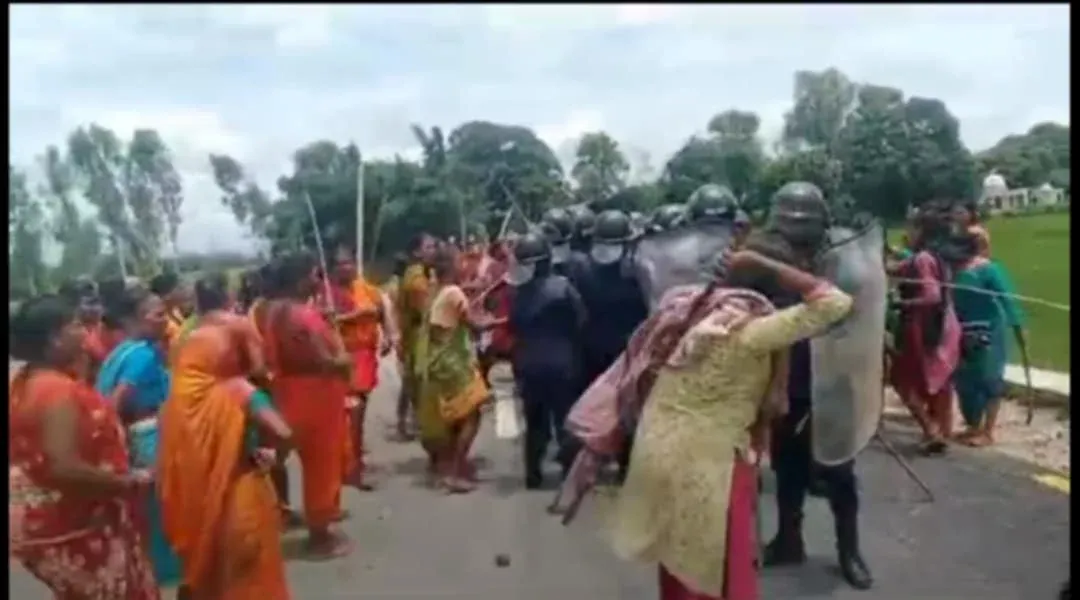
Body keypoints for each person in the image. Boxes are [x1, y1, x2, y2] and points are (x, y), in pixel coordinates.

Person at [610, 243, 854, 600]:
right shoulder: (752, 333)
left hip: (659, 450)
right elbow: (835, 302)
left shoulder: (687, 313)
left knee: (679, 556)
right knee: (721, 560)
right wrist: (764, 262)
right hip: (713, 461)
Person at [760, 182, 874, 590]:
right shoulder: (769, 260)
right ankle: (788, 539)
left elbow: (862, 310)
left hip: (835, 380)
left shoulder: (844, 260)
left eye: (803, 224)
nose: (796, 233)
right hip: (787, 379)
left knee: (839, 471)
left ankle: (849, 550)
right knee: (787, 468)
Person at [10, 294, 160, 599]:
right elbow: (62, 467)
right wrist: (127, 482)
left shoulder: (26, 381)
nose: (84, 331)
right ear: (54, 339)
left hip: (54, 521)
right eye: (76, 325)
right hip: (76, 522)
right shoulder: (55, 391)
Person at [159, 272, 294, 599]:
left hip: (194, 506)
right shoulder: (237, 388)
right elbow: (283, 432)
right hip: (240, 499)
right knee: (248, 579)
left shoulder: (176, 403)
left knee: (211, 574)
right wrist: (273, 454)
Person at [263, 252, 354, 558]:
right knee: (321, 466)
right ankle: (319, 537)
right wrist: (343, 356)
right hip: (316, 395)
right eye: (315, 274)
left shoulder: (273, 311)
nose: (319, 280)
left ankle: (306, 519)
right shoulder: (304, 316)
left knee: (302, 459)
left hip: (287, 392)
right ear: (301, 280)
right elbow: (326, 361)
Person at [95, 284, 184, 590]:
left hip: (138, 436)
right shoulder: (142, 355)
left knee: (151, 507)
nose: (165, 320)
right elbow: (115, 403)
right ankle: (169, 573)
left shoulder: (119, 353)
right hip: (149, 436)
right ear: (132, 320)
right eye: (157, 315)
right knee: (163, 507)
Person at [414, 249, 500, 492]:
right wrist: (503, 321)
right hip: (454, 363)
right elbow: (476, 325)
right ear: (452, 267)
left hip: (439, 362)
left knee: (455, 416)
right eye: (460, 262)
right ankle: (454, 471)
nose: (464, 266)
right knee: (472, 414)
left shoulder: (437, 291)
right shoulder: (453, 293)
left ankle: (448, 468)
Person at [507, 231, 588, 488]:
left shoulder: (518, 293)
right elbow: (581, 320)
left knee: (535, 423)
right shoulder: (564, 287)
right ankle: (569, 474)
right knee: (565, 421)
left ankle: (533, 474)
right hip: (563, 363)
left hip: (529, 364)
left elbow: (514, 325)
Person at [576, 209, 650, 480]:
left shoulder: (582, 268)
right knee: (628, 408)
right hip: (627, 349)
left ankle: (592, 464)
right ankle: (625, 464)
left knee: (595, 408)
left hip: (591, 347)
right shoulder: (638, 270)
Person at [887, 205, 962, 454]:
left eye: (912, 227)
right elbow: (898, 268)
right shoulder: (935, 257)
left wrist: (901, 303)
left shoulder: (922, 259)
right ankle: (941, 431)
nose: (907, 232)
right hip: (945, 325)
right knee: (939, 382)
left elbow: (931, 296)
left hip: (926, 326)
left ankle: (931, 429)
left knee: (903, 379)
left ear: (922, 231)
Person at [322, 245, 396, 490]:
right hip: (340, 359)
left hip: (365, 357)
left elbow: (380, 307)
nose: (348, 267)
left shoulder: (364, 288)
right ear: (332, 269)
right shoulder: (325, 294)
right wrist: (351, 315)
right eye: (341, 264)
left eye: (350, 262)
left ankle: (352, 463)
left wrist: (389, 334)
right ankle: (348, 467)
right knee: (348, 415)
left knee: (357, 414)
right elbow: (323, 321)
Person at [949, 232, 1026, 447]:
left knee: (989, 378)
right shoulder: (954, 269)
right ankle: (973, 425)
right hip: (962, 331)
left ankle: (988, 431)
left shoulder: (989, 270)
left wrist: (1018, 326)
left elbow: (1008, 299)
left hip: (989, 331)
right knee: (965, 380)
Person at [397, 233, 438, 442]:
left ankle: (405, 421)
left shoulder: (423, 274)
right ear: (417, 252)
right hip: (416, 335)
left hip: (415, 333)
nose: (434, 251)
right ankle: (411, 421)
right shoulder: (416, 280)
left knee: (411, 380)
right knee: (415, 380)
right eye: (429, 247)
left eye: (434, 247)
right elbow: (426, 311)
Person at [149, 272, 192, 353]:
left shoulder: (176, 311)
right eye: (180, 288)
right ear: (167, 295)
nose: (185, 291)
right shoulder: (159, 321)